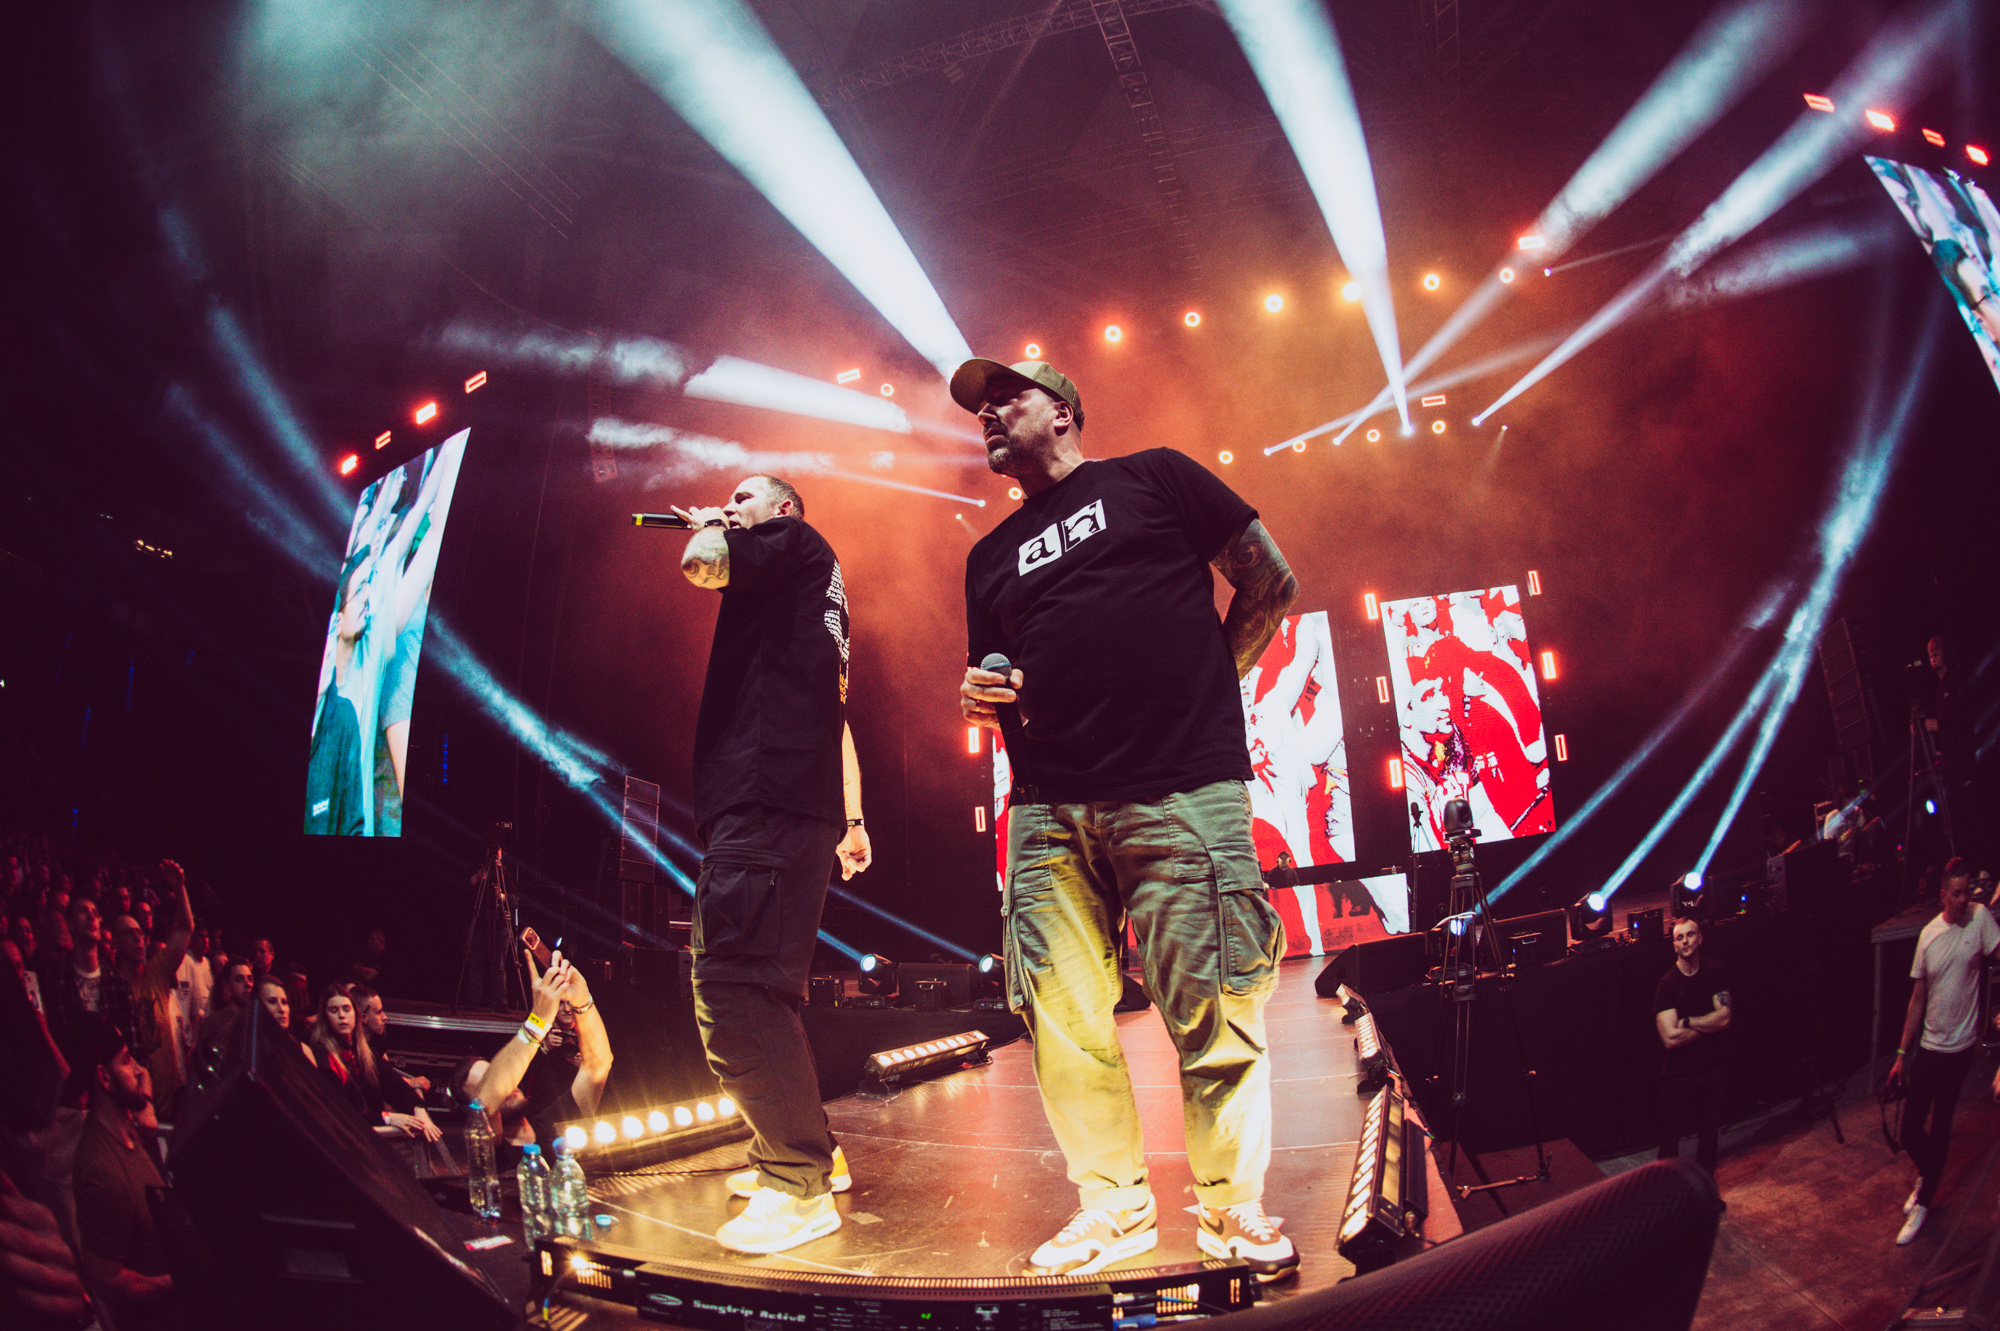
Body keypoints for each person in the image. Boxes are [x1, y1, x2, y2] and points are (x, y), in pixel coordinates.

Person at [954, 357, 1301, 1281]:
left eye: (1008, 396)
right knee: (1061, 1018)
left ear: (1064, 412)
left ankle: (1231, 1206)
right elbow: (992, 676)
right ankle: (1112, 1206)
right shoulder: (988, 557)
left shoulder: (1156, 477)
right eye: (981, 406)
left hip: (1180, 785)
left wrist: (1203, 686)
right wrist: (978, 692)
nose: (988, 413)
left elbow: (1270, 580)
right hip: (1047, 808)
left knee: (1213, 1002)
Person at [664, 474, 872, 1255]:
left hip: (763, 800)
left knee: (735, 987)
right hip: (786, 803)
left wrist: (715, 527)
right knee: (760, 988)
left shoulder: (791, 540)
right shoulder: (809, 590)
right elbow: (836, 719)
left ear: (782, 511)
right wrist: (852, 818)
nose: (730, 504)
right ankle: (812, 1154)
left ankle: (797, 1181)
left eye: (744, 496)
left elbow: (701, 563)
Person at [1892, 859, 1999, 1244]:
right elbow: (1917, 999)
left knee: (1941, 1125)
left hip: (1961, 1048)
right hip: (1929, 1046)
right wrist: (1901, 1054)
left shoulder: (1980, 919)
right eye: (1956, 893)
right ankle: (1929, 1173)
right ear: (1942, 895)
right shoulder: (1929, 936)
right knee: (1909, 1130)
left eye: (1967, 891)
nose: (1963, 899)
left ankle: (1924, 1201)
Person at [66, 1015, 176, 1329]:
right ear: (103, 1077)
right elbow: (109, 1281)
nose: (139, 1070)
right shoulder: (100, 1171)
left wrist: (146, 1105)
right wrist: (184, 1279)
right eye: (127, 1061)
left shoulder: (124, 1127)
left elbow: (143, 1079)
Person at [456, 948, 610, 1163]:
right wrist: (538, 1020)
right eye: (485, 1082)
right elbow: (488, 1102)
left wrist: (583, 1001)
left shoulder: (549, 1124)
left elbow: (598, 1065)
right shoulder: (489, 1153)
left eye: (494, 1072)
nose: (504, 1086)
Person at [309, 983, 438, 1140]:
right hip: (348, 1139)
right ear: (326, 1017)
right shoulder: (323, 1054)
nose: (342, 1016)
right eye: (334, 1011)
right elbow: (344, 1112)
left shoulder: (362, 1049)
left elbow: (393, 1084)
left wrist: (419, 1109)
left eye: (346, 1009)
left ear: (355, 1014)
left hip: (370, 1138)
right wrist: (388, 1118)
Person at [1654, 916, 1731, 1176]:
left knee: (1709, 1139)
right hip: (1679, 1075)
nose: (1685, 941)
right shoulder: (1667, 985)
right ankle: (1665, 1193)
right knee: (1669, 1144)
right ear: (1674, 945)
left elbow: (1725, 1018)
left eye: (1690, 935)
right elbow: (1670, 1038)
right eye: (1680, 937)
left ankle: (1705, 1190)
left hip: (1711, 1069)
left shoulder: (1715, 971)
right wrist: (1708, 1024)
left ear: (1700, 939)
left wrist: (1688, 1022)